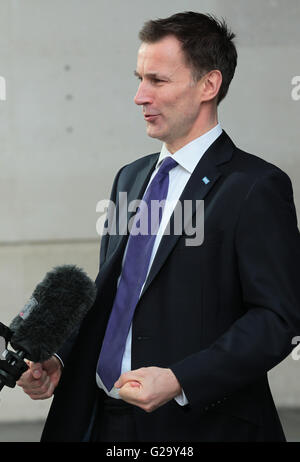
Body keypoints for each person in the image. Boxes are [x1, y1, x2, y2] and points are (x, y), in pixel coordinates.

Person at [17, 11, 300, 442]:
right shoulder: (130, 178)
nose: (139, 96)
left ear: (209, 85)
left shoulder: (255, 187)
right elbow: (117, 297)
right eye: (138, 78)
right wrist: (60, 359)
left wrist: (180, 380)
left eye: (157, 80)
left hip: (198, 426)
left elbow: (278, 319)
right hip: (101, 419)